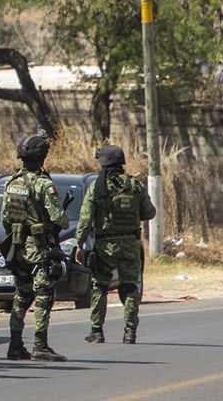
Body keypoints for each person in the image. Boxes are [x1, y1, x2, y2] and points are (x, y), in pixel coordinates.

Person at [75, 144, 156, 345]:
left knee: (99, 287)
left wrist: (79, 244)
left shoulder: (97, 187)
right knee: (130, 287)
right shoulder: (134, 185)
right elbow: (150, 213)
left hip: (104, 246)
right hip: (130, 244)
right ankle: (130, 333)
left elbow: (85, 220)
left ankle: (97, 331)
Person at [1, 134, 69, 362]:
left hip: (18, 246)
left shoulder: (12, 183)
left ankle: (15, 344)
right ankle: (40, 345)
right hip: (40, 248)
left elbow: (5, 218)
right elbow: (59, 218)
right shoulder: (44, 184)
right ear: (42, 157)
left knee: (21, 295)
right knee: (44, 294)